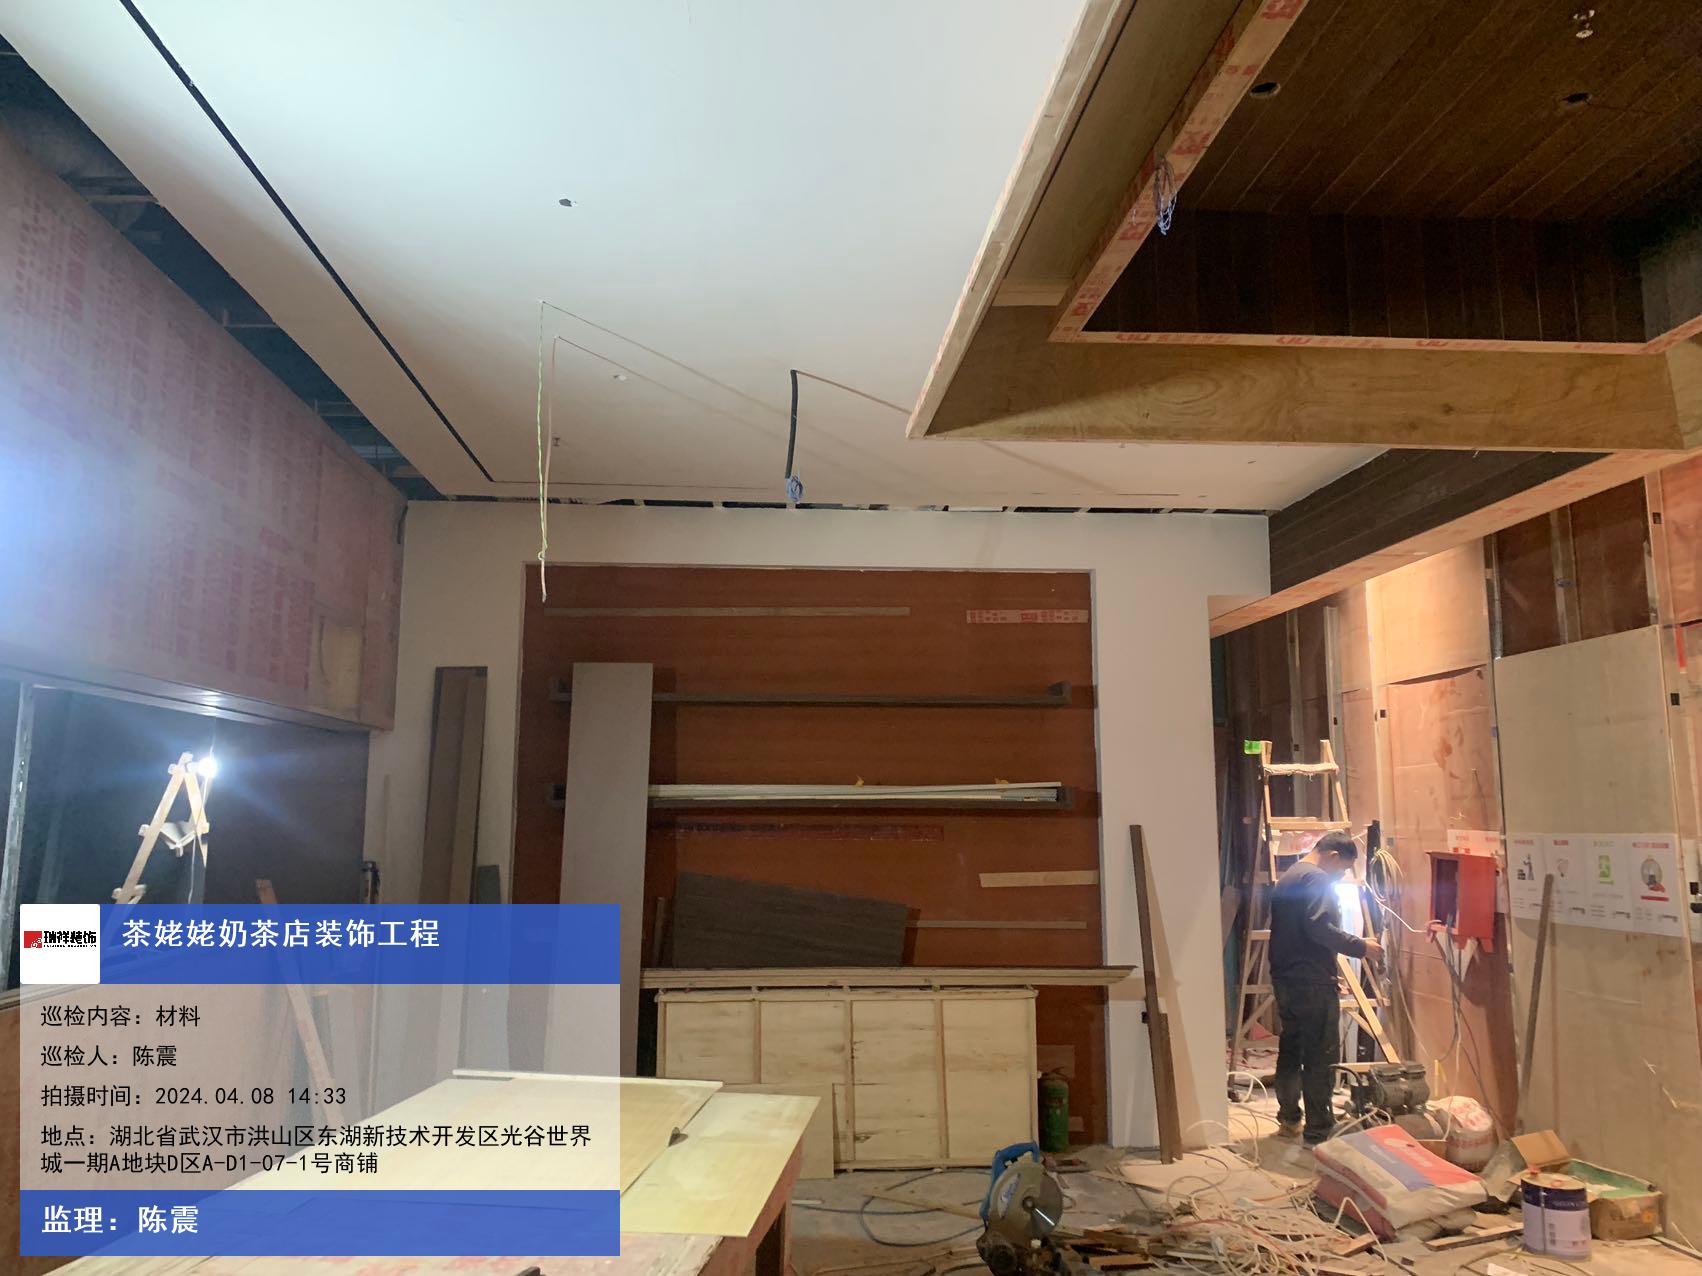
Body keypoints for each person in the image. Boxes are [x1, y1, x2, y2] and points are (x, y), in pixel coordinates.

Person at [1266, 831, 1383, 1144]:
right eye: (1342, 869)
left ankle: (1289, 1119)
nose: (1340, 876)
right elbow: (1320, 928)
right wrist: (1362, 947)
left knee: (1291, 1050)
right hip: (1311, 983)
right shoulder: (1317, 879)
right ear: (1332, 856)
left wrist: (1326, 971)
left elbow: (1298, 934)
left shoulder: (1290, 876)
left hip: (1287, 978)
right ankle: (1319, 1131)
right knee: (1320, 1056)